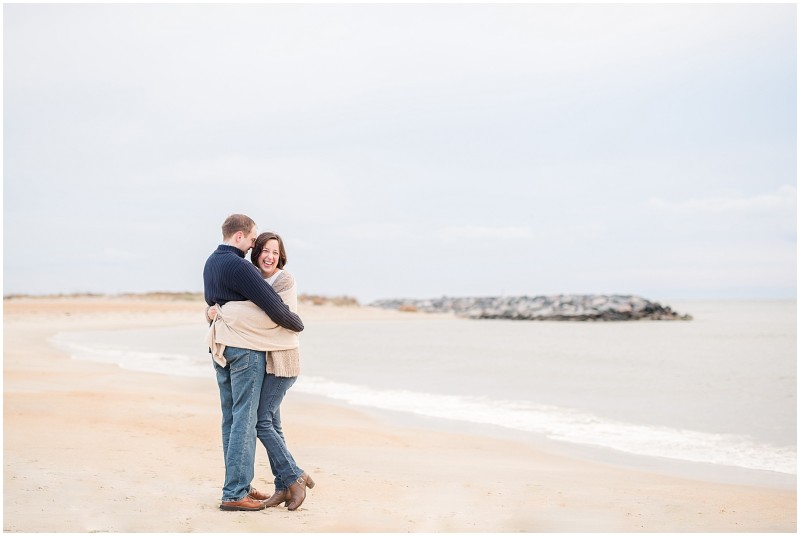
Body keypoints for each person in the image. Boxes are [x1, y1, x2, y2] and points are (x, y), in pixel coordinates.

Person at [203, 214, 304, 512]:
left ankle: (240, 486)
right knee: (246, 421)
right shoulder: (239, 265)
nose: (252, 246)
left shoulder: (210, 263)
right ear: (239, 236)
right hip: (245, 350)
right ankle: (235, 492)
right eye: (252, 239)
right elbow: (272, 307)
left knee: (232, 419)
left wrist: (217, 312)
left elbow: (215, 305)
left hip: (221, 348)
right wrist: (296, 323)